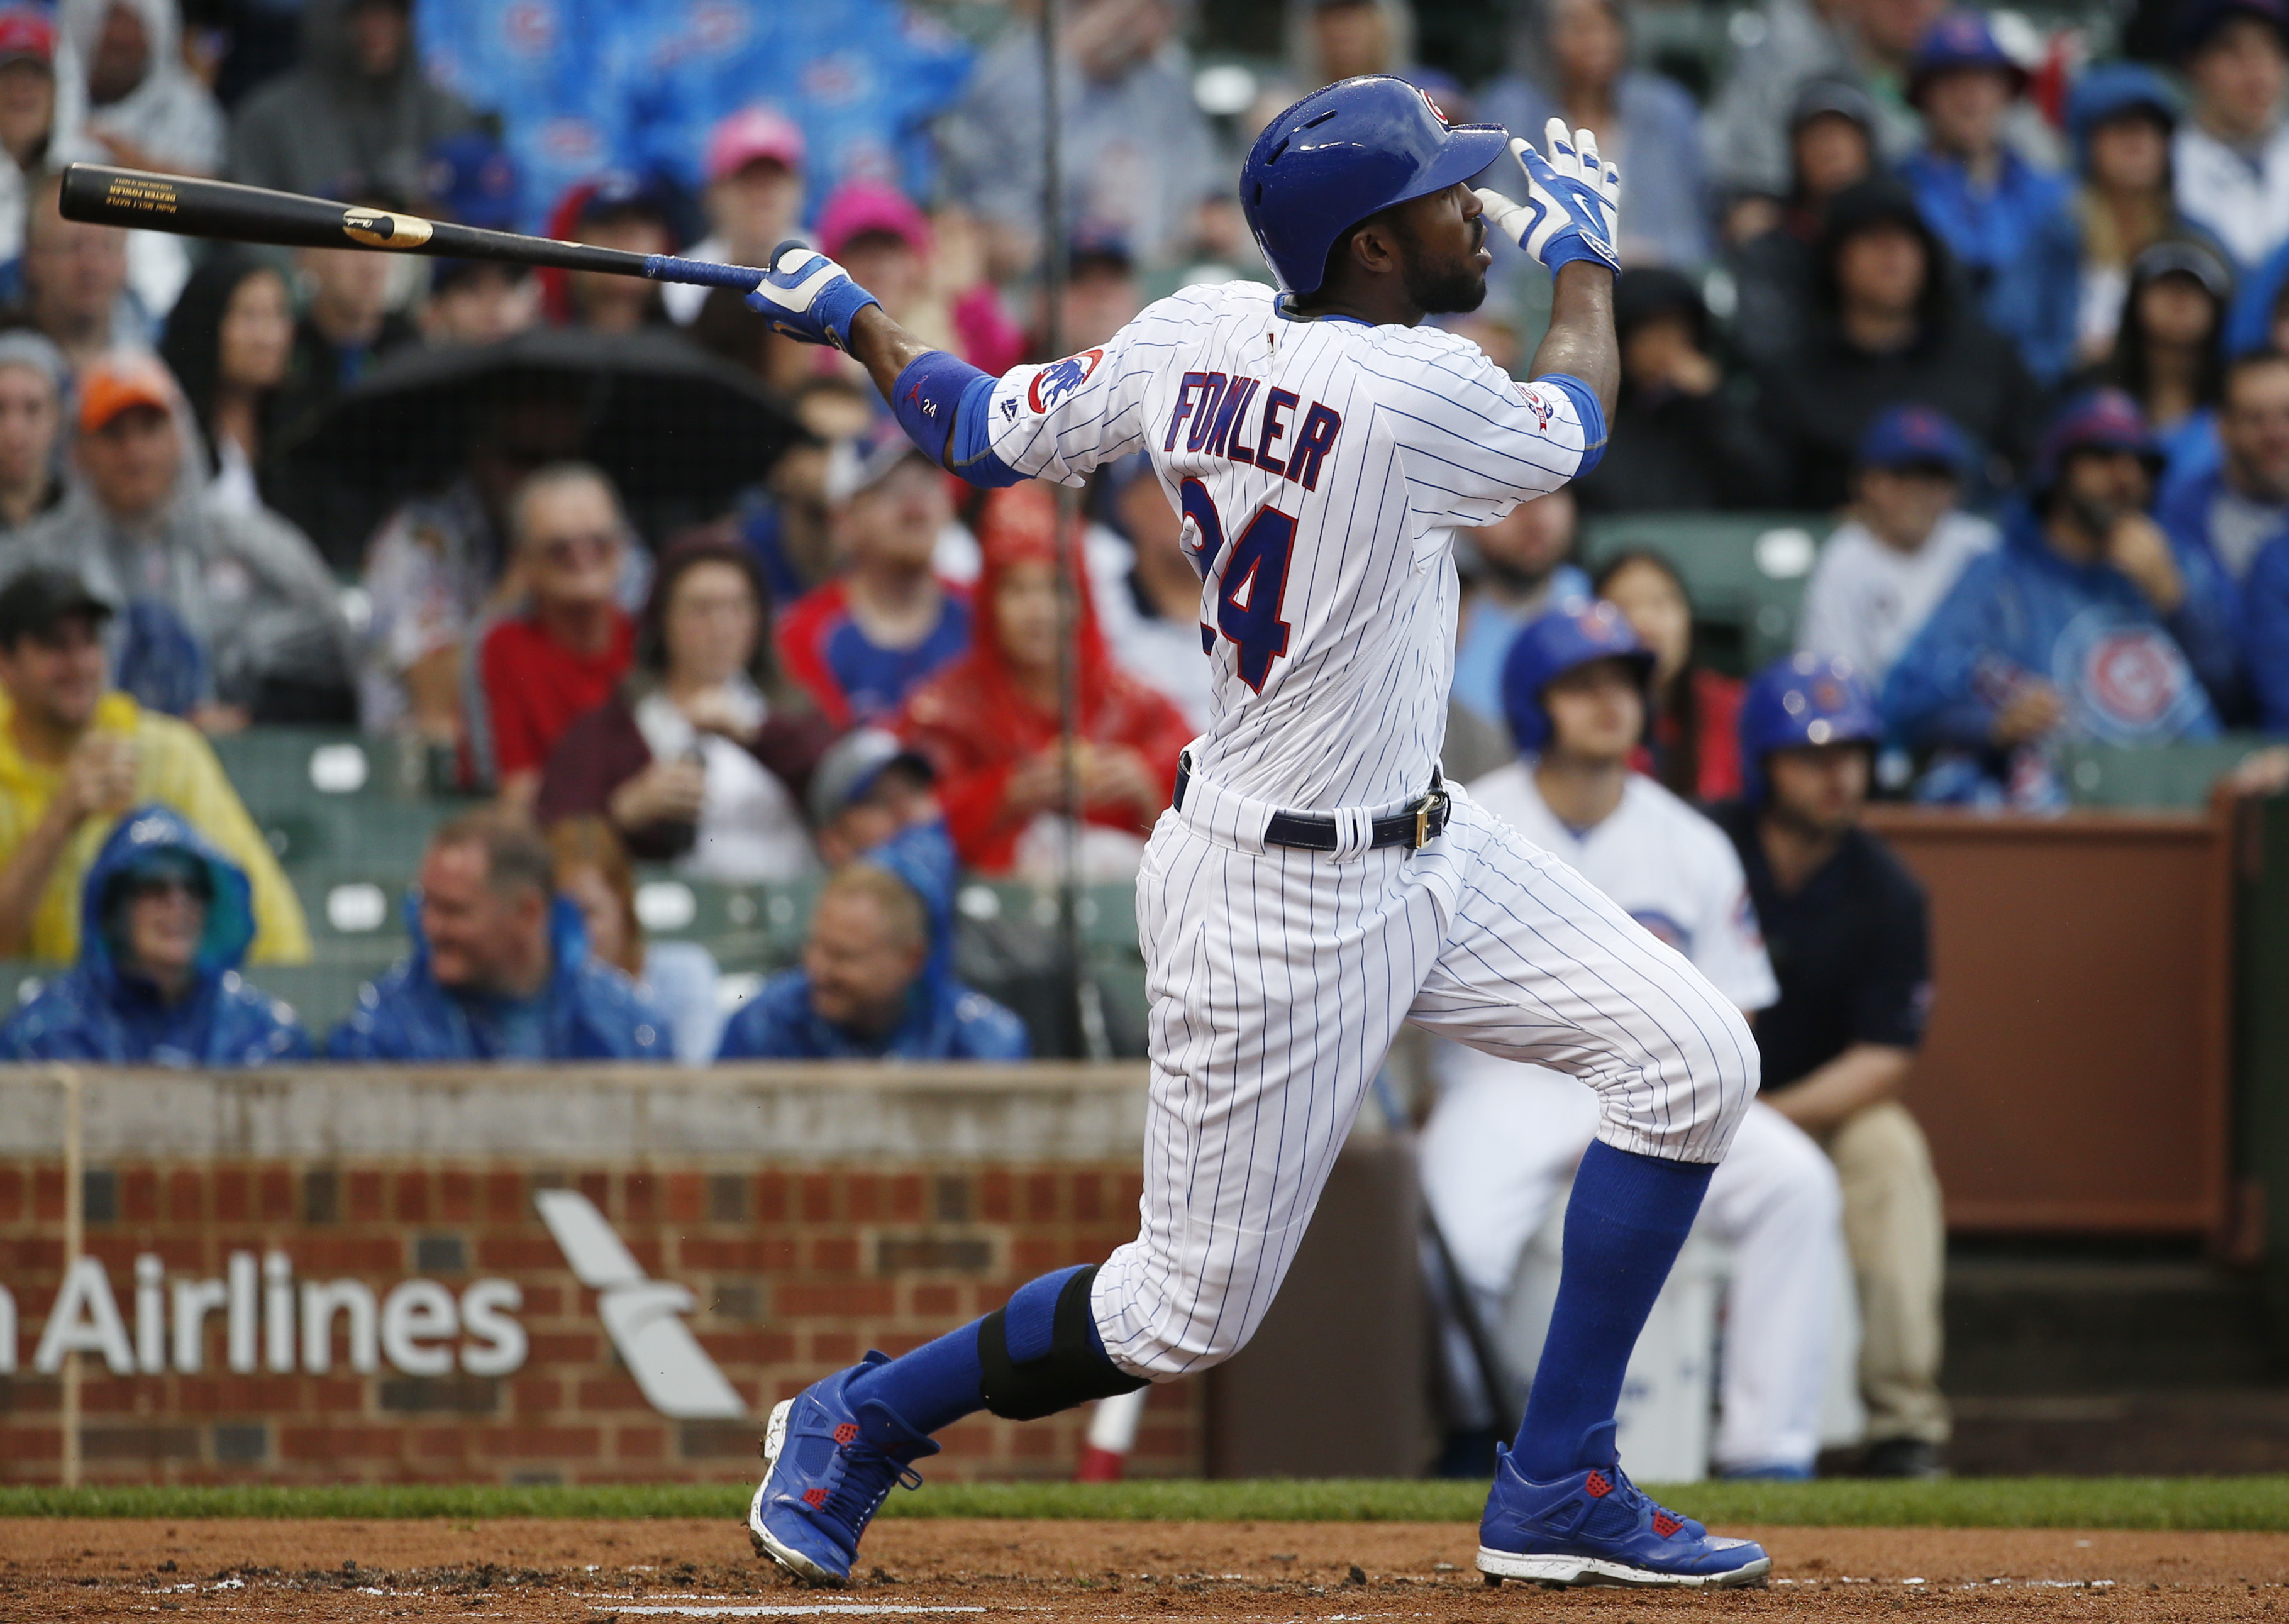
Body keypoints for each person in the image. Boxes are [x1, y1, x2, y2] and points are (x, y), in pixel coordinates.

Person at [742, 77, 1770, 1589]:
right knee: (1181, 1316)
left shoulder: (1193, 331)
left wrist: (856, 320)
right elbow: (1579, 416)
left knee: (1692, 1061)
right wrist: (1592, 258)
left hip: (1428, 839)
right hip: (1275, 896)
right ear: (1366, 249)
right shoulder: (1411, 395)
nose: (1479, 212)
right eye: (1445, 197)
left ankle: (1558, 1482)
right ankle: (859, 1417)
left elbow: (968, 427)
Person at [1420, 603, 1843, 1480]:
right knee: (1452, 1237)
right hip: (1509, 1081)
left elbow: (1737, 1010)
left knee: (1797, 1183)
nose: (1611, 701)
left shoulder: (1690, 840)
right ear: (1534, 703)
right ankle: (1471, 1431)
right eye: (1583, 684)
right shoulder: (1461, 824)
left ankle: (1770, 1451)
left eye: (1624, 682)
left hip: (1658, 1088)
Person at [1712, 656, 1949, 1478]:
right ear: (1762, 761)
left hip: (1813, 1105)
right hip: (1688, 1094)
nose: (1836, 772)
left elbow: (1886, 1056)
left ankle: (1903, 1420)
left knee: (1891, 1151)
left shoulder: (1890, 890)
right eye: (1810, 753)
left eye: (1850, 751)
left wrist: (1774, 1117)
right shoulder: (1704, 845)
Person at [1883, 390, 2236, 806]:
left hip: (2172, 803)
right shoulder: (2001, 576)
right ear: (2057, 468)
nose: (2125, 475)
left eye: (2141, 462)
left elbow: (2239, 703)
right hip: (2055, 815)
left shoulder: (2179, 564)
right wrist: (1994, 724)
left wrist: (2175, 601)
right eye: (2102, 456)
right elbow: (1905, 697)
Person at [21, 348, 355, 726]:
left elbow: (335, 673)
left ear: (181, 437)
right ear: (78, 451)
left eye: (150, 429)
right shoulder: (40, 561)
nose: (135, 452)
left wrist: (251, 719)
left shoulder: (254, 546)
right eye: (114, 435)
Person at [0, 566, 308, 966]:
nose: (78, 665)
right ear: (6, 664)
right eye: (55, 646)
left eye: (89, 642)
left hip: (151, 1017)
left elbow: (263, 911)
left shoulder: (165, 755)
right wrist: (61, 819)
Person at [897, 481, 1191, 881]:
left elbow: (1208, 818)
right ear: (988, 603)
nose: (1038, 611)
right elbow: (904, 824)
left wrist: (1144, 787)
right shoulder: (943, 712)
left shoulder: (1137, 708)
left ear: (1082, 602)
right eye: (1017, 590)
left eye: (1056, 588)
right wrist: (1007, 795)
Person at [537, 533, 831, 881]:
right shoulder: (612, 727)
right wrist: (622, 812)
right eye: (700, 609)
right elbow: (554, 837)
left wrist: (758, 737)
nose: (721, 627)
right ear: (663, 619)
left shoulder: (794, 712)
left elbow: (842, 788)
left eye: (739, 607)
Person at [1756, 178, 2046, 511]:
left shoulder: (1986, 357)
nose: (1892, 252)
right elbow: (1768, 501)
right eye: (1871, 238)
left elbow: (2036, 465)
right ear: (1836, 259)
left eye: (1906, 239)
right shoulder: (1794, 376)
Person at [328, 810, 670, 1062]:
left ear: (529, 913)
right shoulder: (385, 1028)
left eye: (454, 911)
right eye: (426, 905)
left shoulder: (622, 1024)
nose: (431, 926)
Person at [353, 382, 591, 741]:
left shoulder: (596, 537)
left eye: (560, 461)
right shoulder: (424, 535)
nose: (543, 481)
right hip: (420, 768)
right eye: (525, 459)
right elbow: (437, 700)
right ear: (482, 456)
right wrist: (518, 585)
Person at [0, 801, 309, 1063]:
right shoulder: (46, 1036)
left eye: (194, 889)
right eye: (154, 887)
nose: (178, 903)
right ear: (112, 910)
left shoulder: (262, 1036)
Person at [939, 0, 1218, 279]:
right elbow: (1003, 232)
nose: (1151, 25)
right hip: (1051, 279)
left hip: (1141, 276)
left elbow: (1200, 188)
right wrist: (1075, 53)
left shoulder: (1161, 83)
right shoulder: (1014, 76)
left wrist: (1202, 217)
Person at [1898, 13, 2078, 385]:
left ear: (2006, 92)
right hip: (1926, 380)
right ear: (1923, 95)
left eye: (1983, 80)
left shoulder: (2053, 193)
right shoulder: (1894, 190)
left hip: (2035, 385)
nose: (1969, 97)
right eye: (1951, 81)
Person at [716, 861, 1028, 1063]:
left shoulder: (979, 1042)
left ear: (912, 959)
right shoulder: (763, 1024)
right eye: (816, 947)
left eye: (843, 956)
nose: (818, 969)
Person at [1478, 0, 1709, 268]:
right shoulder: (1509, 109)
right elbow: (1500, 223)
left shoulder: (1666, 108)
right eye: (1580, 28)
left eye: (1609, 24)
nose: (1600, 41)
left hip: (1655, 283)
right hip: (1543, 284)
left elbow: (1690, 229)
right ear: (1542, 37)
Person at [776, 426, 972, 729]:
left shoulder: (986, 610)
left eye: (928, 485)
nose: (915, 508)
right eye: (890, 491)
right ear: (843, 522)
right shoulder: (805, 634)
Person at [468, 463, 637, 807]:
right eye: (560, 548)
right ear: (524, 562)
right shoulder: (502, 648)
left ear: (623, 549)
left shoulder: (650, 640)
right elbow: (517, 798)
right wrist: (621, 809)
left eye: (598, 543)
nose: (582, 557)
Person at [1797, 406, 1999, 688]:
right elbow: (1833, 683)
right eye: (1901, 478)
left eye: (1933, 480)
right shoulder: (1843, 559)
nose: (1917, 495)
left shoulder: (1981, 547)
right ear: (1866, 483)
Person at [1571, 268, 1787, 514]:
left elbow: (1766, 487)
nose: (1666, 345)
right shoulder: (1593, 420)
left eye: (1678, 330)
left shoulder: (1715, 413)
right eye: (1651, 331)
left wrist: (1714, 404)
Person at [225, 0, 474, 206]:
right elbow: (244, 224)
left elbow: (474, 220)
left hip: (416, 260)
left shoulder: (446, 115)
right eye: (363, 13)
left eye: (392, 13)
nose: (378, 29)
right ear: (330, 20)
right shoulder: (267, 120)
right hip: (308, 260)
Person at [1726, 77, 1881, 375]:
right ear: (1794, 152)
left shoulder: (1904, 233)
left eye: (1843, 135)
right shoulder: (1771, 248)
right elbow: (1765, 346)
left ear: (1868, 146)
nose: (1831, 149)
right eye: (1816, 136)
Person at [2066, 64, 2212, 374]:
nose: (2138, 144)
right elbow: (2016, 335)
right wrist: (2070, 358)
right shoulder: (2056, 232)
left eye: (2153, 131)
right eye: (2122, 128)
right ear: (2088, 142)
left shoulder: (2195, 236)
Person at [545, 814, 722, 1066]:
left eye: (589, 913)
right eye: (564, 916)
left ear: (623, 906)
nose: (577, 933)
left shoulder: (686, 973)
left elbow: (695, 1087)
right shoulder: (541, 1005)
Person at [1593, 551, 1744, 804]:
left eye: (1661, 603)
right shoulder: (1582, 721)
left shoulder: (1736, 708)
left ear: (1688, 619)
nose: (1645, 622)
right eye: (1623, 607)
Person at [157, 251, 294, 512]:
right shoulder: (169, 432)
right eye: (249, 316)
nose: (268, 338)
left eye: (277, 315)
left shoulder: (297, 432)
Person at [1091, 453, 1217, 733]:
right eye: (1169, 487)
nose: (1191, 504)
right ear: (1127, 503)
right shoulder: (1095, 600)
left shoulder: (1255, 603)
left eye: (1203, 486)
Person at [2090, 240, 2232, 483]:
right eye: (2165, 285)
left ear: (2218, 308)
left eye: (2195, 288)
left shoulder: (2236, 407)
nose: (2180, 299)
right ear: (2135, 301)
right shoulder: (2093, 396)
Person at [1450, 489, 1589, 728]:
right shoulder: (1445, 617)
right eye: (1508, 498)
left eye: (1550, 492)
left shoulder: (1604, 600)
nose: (1534, 517)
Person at [2172, 0, 2289, 275]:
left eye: (2270, 50)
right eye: (2233, 52)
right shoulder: (2158, 168)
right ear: (2194, 64)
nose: (2257, 73)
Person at [662, 106, 804, 331]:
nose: (761, 195)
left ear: (799, 189)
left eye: (773, 181)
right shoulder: (682, 284)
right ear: (713, 193)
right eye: (746, 181)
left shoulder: (832, 271)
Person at [2157, 349, 2289, 591]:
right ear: (2222, 428)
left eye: (2288, 415)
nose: (2276, 435)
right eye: (2255, 418)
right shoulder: (2177, 513)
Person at [271, 231, 419, 443]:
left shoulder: (412, 349)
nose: (371, 267)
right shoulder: (283, 352)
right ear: (308, 256)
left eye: (383, 249)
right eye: (354, 247)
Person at [54, 0, 224, 177]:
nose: (120, 37)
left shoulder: (191, 107)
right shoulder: (53, 96)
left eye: (132, 24)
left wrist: (124, 158)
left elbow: (206, 189)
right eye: (111, 20)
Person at [9, 172, 143, 373]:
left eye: (108, 245)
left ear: (127, 259)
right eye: (72, 246)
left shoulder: (159, 357)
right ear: (33, 260)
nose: (92, 265)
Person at [0, 328, 65, 536]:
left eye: (33, 408)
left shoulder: (95, 518)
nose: (14, 431)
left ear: (57, 417)